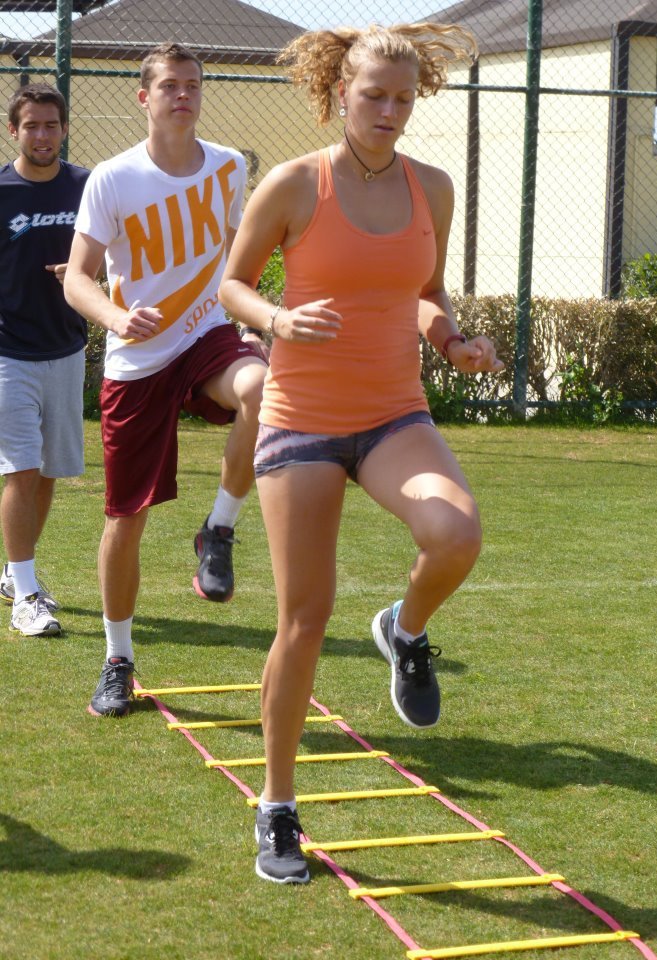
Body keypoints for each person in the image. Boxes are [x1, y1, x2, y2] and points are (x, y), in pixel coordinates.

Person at [218, 23, 504, 884]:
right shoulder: (295, 184)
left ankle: (403, 631)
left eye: (402, 99)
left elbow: (422, 291)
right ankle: (277, 808)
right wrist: (275, 320)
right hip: (301, 417)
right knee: (304, 619)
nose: (388, 111)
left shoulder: (434, 189)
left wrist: (450, 338)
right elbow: (231, 284)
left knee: (456, 533)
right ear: (339, 92)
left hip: (392, 413)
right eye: (373, 95)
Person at [64, 42, 267, 718]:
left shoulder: (231, 165)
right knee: (126, 519)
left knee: (263, 390)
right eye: (171, 86)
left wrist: (252, 315)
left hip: (209, 336)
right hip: (138, 358)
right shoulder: (113, 179)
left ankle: (220, 529)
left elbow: (240, 260)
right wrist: (120, 316)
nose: (184, 95)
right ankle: (117, 659)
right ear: (143, 97)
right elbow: (77, 279)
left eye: (193, 85)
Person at [0, 84, 90, 637]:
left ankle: (15, 572)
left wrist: (89, 278)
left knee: (49, 473)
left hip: (68, 349)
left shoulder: (86, 186)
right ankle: (27, 596)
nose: (41, 135)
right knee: (21, 469)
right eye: (31, 126)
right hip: (8, 351)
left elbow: (119, 255)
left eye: (50, 125)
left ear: (62, 130)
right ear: (14, 131)